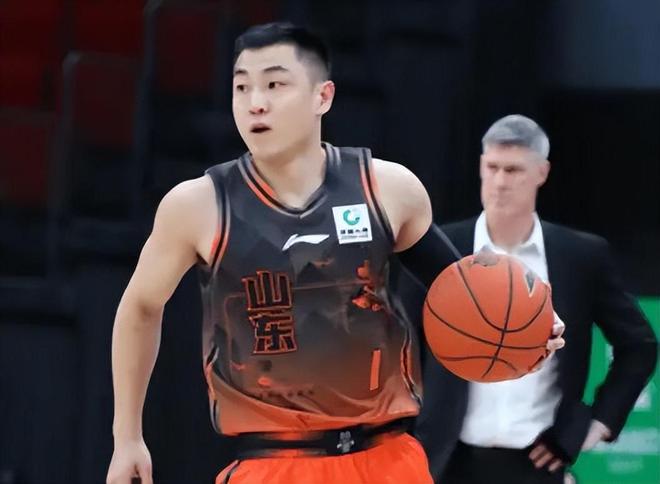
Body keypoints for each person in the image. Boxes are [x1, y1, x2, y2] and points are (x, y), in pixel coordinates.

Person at [105, 24, 563, 484]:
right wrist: (127, 438)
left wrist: (530, 329)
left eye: (274, 84)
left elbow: (469, 293)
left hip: (388, 459)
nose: (255, 102)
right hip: (274, 464)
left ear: (322, 97)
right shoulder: (197, 205)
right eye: (241, 87)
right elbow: (140, 307)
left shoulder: (388, 188)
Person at [415, 114, 658, 484]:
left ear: (541, 172)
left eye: (513, 170)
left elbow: (639, 344)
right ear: (480, 166)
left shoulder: (580, 256)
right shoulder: (440, 249)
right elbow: (399, 340)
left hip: (537, 462)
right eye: (492, 167)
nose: (500, 182)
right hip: (444, 460)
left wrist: (595, 424)